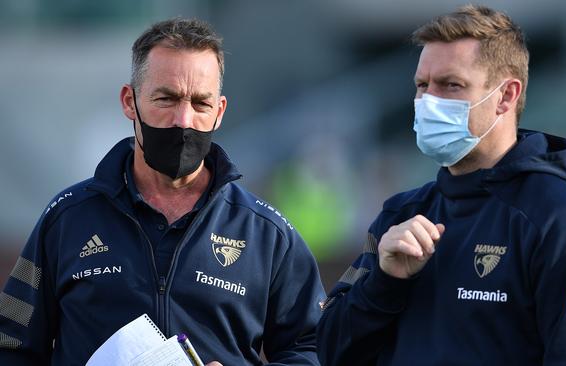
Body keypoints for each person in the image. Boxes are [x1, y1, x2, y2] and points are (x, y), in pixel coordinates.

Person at [0, 18, 324, 365]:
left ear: (219, 112)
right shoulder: (67, 218)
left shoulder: (265, 233)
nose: (183, 120)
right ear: (130, 101)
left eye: (200, 103)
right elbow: (11, 345)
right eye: (166, 98)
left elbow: (313, 349)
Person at [316, 5, 566, 365]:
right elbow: (328, 350)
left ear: (506, 96)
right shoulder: (398, 215)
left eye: (451, 85)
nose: (428, 102)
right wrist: (384, 283)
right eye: (422, 85)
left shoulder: (560, 221)